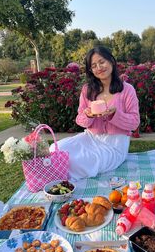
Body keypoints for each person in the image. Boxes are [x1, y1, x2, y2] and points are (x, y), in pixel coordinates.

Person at [50, 46, 140, 181]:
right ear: (90, 70)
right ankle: (58, 173)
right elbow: (80, 119)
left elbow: (134, 122)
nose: (99, 67)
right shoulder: (88, 90)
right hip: (90, 138)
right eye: (94, 65)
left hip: (114, 145)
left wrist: (114, 115)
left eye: (102, 62)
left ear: (111, 61)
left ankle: (61, 177)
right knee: (55, 149)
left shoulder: (127, 90)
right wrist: (88, 115)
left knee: (81, 161)